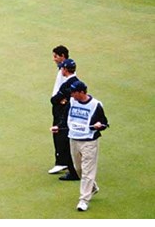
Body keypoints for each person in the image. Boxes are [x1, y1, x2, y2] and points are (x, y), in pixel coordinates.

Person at [67, 80, 109, 212]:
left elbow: (104, 123)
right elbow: (68, 117)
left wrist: (99, 126)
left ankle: (83, 200)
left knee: (87, 171)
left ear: (81, 92)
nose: (72, 94)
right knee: (78, 169)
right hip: (73, 138)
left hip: (89, 141)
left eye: (74, 92)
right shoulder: (72, 101)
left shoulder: (95, 105)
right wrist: (59, 125)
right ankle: (92, 187)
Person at [50, 58, 81, 182]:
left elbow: (54, 100)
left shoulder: (67, 84)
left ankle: (73, 171)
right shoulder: (77, 82)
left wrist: (61, 100)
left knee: (65, 143)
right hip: (71, 116)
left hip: (65, 117)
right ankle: (74, 168)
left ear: (65, 69)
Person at [48, 45, 71, 174]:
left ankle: (62, 162)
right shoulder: (62, 69)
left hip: (61, 107)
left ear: (63, 56)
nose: (54, 59)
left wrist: (61, 100)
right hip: (59, 105)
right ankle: (64, 160)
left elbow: (68, 87)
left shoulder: (66, 71)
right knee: (59, 132)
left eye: (56, 56)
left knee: (59, 132)